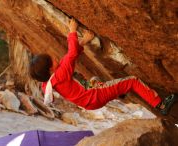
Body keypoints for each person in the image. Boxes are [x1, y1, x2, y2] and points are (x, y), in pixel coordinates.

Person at [30, 18, 176, 115]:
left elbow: (68, 60)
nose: (55, 58)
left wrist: (85, 40)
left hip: (89, 101)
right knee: (133, 81)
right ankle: (160, 105)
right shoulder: (61, 73)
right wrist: (72, 31)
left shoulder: (49, 82)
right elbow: (71, 53)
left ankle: (120, 91)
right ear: (50, 69)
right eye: (52, 60)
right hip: (95, 96)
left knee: (94, 79)